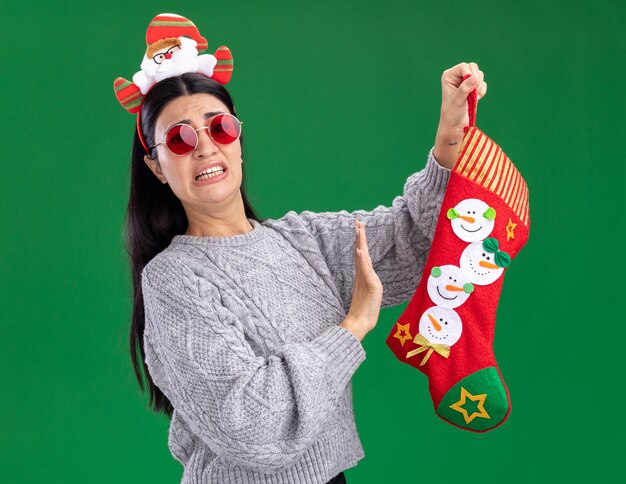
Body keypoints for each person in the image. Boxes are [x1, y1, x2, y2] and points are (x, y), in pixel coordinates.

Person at [118, 14, 486, 484]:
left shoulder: (302, 241)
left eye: (220, 128)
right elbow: (251, 426)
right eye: (180, 138)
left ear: (239, 140)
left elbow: (413, 239)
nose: (206, 148)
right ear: (157, 166)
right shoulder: (172, 281)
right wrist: (351, 328)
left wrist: (448, 141)